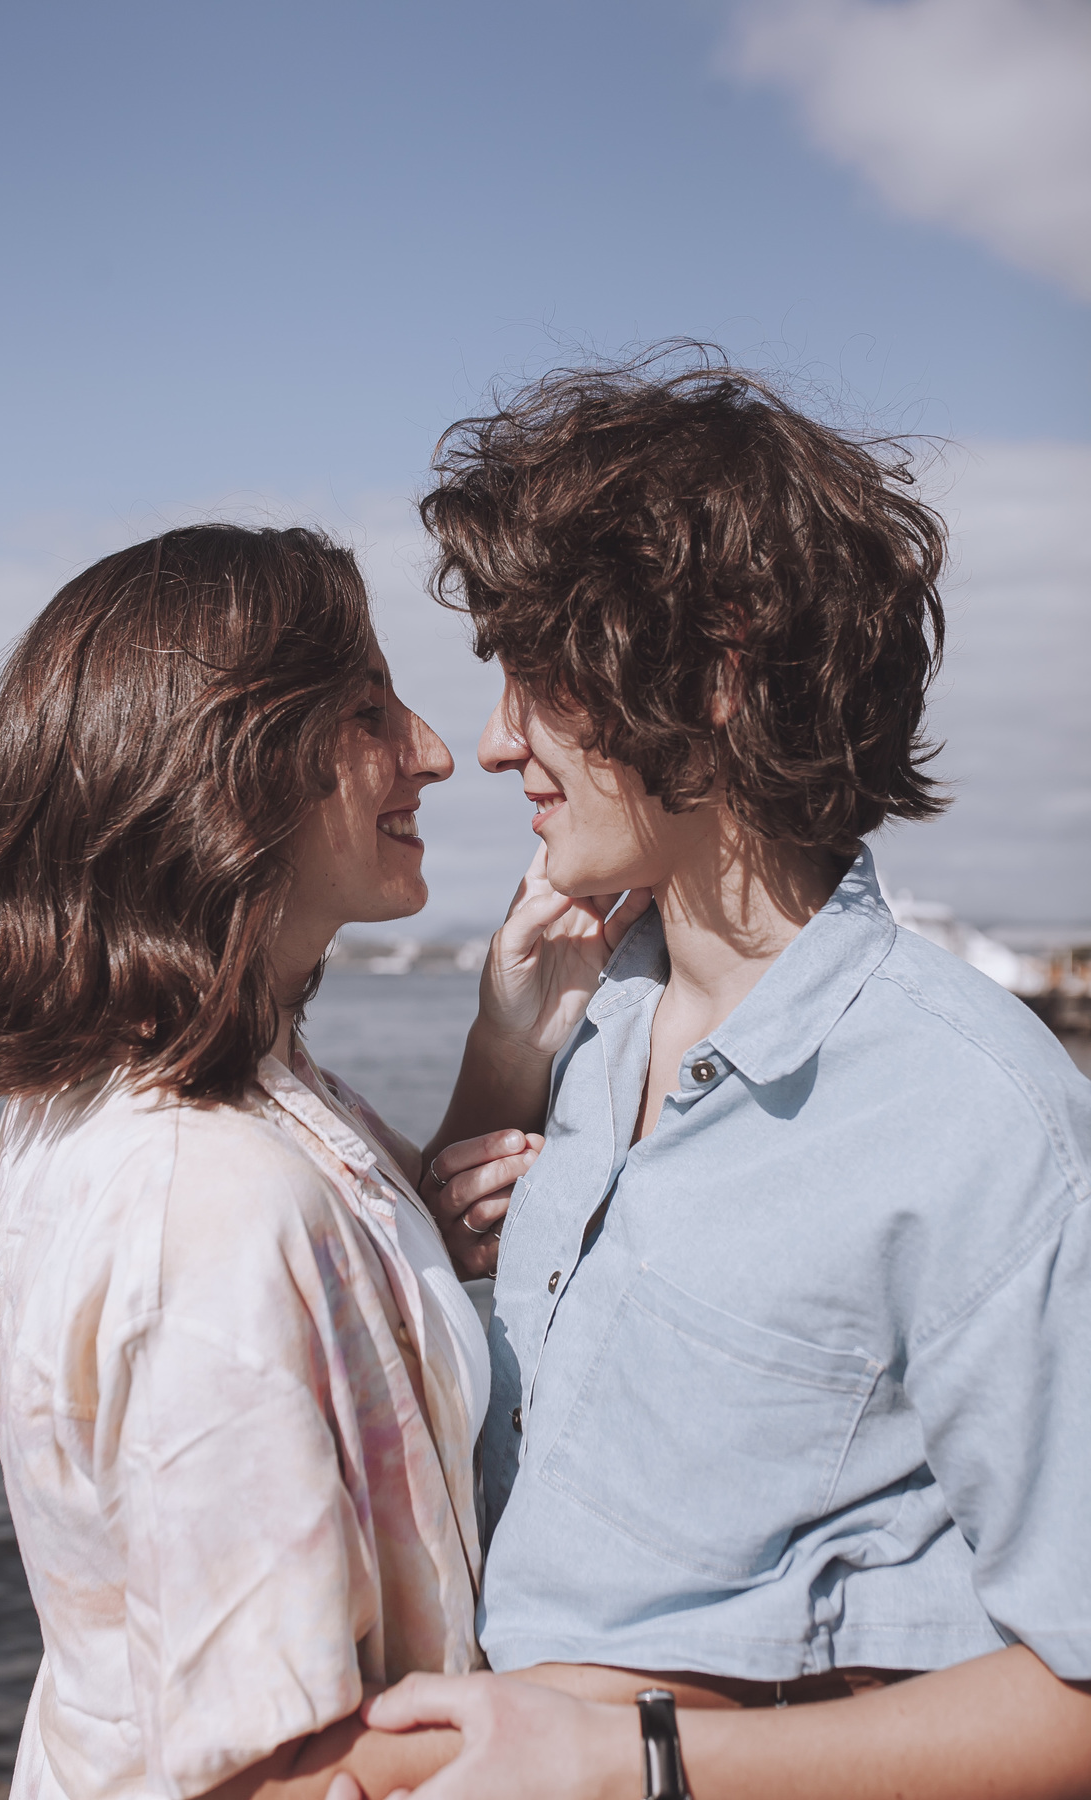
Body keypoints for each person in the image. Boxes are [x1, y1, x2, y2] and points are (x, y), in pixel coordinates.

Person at [402, 354, 1091, 1797]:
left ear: (716, 670)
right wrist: (500, 1060)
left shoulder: (982, 1121)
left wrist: (631, 1759)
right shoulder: (588, 1023)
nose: (495, 743)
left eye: (536, 676)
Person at [0, 523, 570, 1800]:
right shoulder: (208, 1203)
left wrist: (507, 1040)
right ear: (234, 767)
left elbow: (348, 1273)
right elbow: (265, 1773)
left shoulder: (192, 1084)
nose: (433, 751)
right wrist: (655, 1729)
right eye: (369, 709)